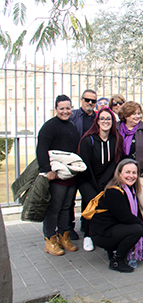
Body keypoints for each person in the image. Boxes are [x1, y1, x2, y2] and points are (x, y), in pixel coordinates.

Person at [90, 159, 143, 272]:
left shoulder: (130, 190)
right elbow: (125, 217)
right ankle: (117, 261)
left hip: (114, 228)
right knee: (137, 229)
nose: (131, 176)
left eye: (134, 173)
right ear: (119, 173)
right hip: (102, 233)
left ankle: (114, 250)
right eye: (127, 172)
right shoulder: (114, 192)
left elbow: (135, 214)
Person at [37, 95, 81, 256]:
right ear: (56, 109)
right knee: (54, 208)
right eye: (61, 108)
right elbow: (41, 148)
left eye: (68, 108)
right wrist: (46, 170)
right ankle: (50, 240)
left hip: (70, 174)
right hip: (56, 175)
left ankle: (64, 236)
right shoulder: (49, 126)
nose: (65, 111)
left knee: (66, 207)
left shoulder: (71, 126)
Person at [78, 107, 123, 252]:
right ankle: (88, 235)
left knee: (107, 202)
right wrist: (96, 185)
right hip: (87, 179)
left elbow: (115, 162)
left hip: (107, 179)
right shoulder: (88, 140)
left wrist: (104, 183)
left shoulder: (117, 139)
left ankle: (103, 232)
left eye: (108, 119)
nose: (105, 121)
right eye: (102, 118)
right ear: (97, 121)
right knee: (91, 202)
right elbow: (86, 166)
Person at [68, 89, 97, 240]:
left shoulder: (98, 118)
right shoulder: (73, 116)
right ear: (81, 100)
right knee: (69, 197)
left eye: (93, 101)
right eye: (87, 100)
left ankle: (87, 225)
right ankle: (68, 228)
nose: (90, 103)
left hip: (92, 163)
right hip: (74, 162)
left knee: (89, 195)